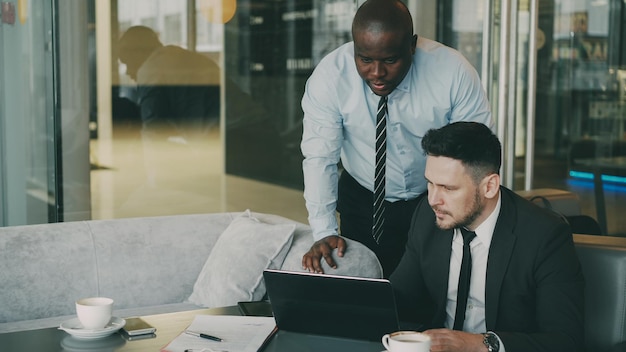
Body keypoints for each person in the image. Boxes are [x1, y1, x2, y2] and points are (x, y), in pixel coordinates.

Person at [300, 0, 493, 276]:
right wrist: (323, 232)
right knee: (365, 291)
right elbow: (320, 158)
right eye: (365, 59)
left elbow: (477, 153)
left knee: (432, 289)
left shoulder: (453, 72)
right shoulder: (331, 77)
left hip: (433, 201)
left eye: (390, 60)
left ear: (412, 45)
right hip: (363, 198)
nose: (377, 73)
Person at [390, 121, 585, 352]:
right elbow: (399, 297)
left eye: (448, 188)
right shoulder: (428, 216)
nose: (433, 199)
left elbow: (565, 341)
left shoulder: (545, 236)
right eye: (430, 184)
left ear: (490, 186)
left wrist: (478, 344)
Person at [118, 25, 220, 143]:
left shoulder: (150, 69)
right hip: (238, 125)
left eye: (127, 63)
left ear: (137, 53)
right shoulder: (182, 57)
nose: (127, 72)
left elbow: (153, 131)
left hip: (225, 135)